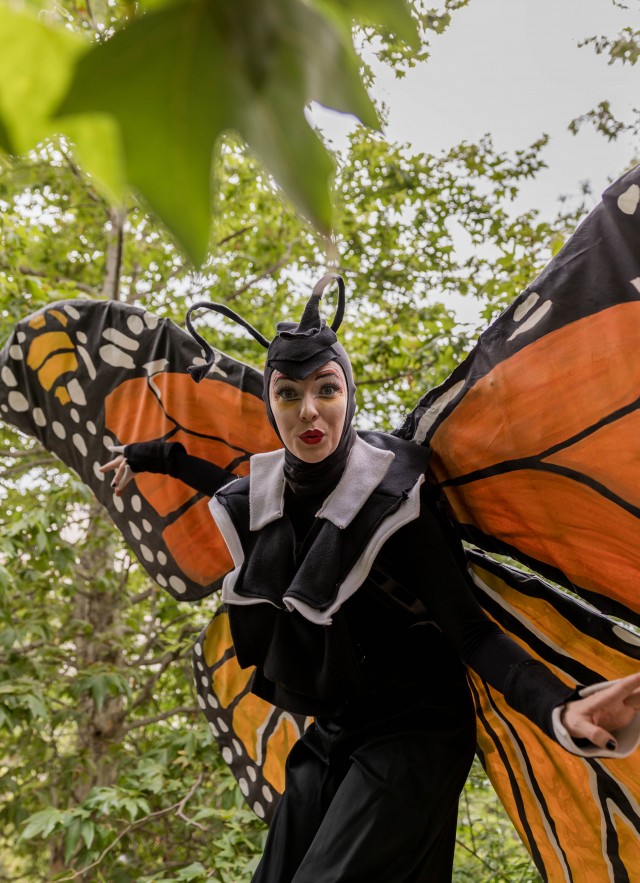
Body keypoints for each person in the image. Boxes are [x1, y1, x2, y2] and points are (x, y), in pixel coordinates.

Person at [102, 274, 640, 882]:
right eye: (288, 394)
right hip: (337, 723)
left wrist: (559, 711)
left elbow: (472, 635)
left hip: (418, 722)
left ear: (346, 393)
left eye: (326, 389)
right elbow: (214, 477)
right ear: (271, 406)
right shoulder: (267, 490)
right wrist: (146, 456)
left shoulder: (395, 496)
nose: (309, 410)